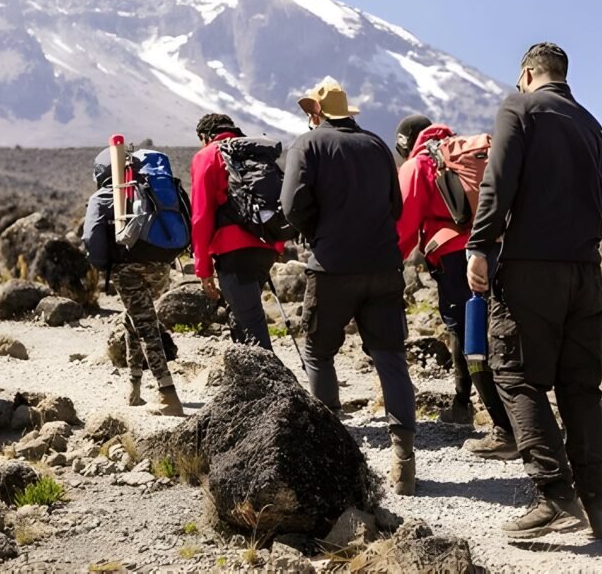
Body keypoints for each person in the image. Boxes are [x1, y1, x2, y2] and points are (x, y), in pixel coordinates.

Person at [466, 42, 602, 539]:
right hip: (586, 272)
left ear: (527, 74)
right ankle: (597, 506)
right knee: (580, 388)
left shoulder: (520, 107)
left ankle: (554, 496)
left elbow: (497, 181)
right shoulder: (592, 125)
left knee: (515, 376)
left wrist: (479, 245)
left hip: (532, 269)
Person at [280, 77, 418, 496]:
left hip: (333, 267)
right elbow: (396, 206)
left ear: (316, 113)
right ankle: (404, 460)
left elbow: (291, 205)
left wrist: (317, 232)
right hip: (383, 267)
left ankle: (331, 451)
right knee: (391, 357)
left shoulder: (309, 145)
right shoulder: (377, 145)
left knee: (319, 353)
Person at [395, 116, 518, 460]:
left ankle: (504, 430)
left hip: (456, 260)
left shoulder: (419, 165)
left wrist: (390, 263)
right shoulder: (468, 155)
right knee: (500, 331)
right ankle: (474, 406)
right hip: (499, 249)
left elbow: (404, 225)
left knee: (470, 337)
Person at [82, 151, 183, 416]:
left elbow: (92, 238)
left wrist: (104, 266)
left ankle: (167, 394)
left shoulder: (103, 196)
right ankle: (134, 388)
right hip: (162, 265)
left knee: (146, 326)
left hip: (128, 270)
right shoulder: (149, 189)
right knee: (135, 318)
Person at [191, 113, 283, 350]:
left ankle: (271, 384)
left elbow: (201, 216)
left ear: (204, 137)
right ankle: (243, 381)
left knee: (252, 327)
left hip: (233, 252)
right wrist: (277, 245)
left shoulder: (208, 155)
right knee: (241, 318)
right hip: (266, 248)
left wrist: (203, 269)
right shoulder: (253, 153)